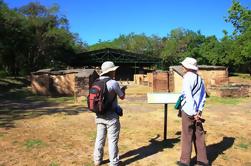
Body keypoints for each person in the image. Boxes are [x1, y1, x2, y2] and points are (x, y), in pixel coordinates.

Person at [93, 61, 126, 166]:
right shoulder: (113, 83)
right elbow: (122, 96)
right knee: (112, 140)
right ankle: (114, 163)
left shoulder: (96, 82)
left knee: (100, 138)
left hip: (99, 114)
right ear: (111, 71)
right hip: (111, 117)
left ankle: (97, 160)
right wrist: (123, 90)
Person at [177, 57, 208, 166]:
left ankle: (184, 162)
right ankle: (203, 160)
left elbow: (188, 96)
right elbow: (203, 97)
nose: (182, 67)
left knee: (186, 136)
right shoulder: (200, 79)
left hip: (189, 111)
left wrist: (194, 112)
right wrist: (199, 111)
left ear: (187, 67)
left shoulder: (187, 77)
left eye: (183, 65)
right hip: (197, 112)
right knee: (199, 135)